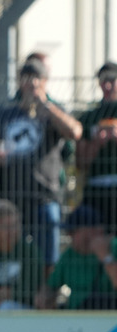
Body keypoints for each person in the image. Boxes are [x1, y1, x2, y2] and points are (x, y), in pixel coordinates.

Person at [0, 58, 82, 275]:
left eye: (37, 78)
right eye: (27, 78)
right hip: (12, 198)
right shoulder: (6, 113)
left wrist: (47, 107)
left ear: (45, 81)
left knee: (47, 254)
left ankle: (46, 297)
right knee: (14, 257)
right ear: (19, 82)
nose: (32, 84)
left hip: (44, 195)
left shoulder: (55, 110)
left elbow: (74, 132)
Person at [36, 205, 117, 310]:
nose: (69, 236)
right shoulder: (69, 255)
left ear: (94, 230)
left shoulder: (114, 247)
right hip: (77, 318)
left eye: (73, 231)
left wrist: (106, 257)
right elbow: (51, 287)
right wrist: (44, 298)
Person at [76, 61, 117, 232]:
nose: (107, 85)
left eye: (112, 80)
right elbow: (80, 163)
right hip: (96, 188)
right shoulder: (89, 117)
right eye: (103, 81)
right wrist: (96, 143)